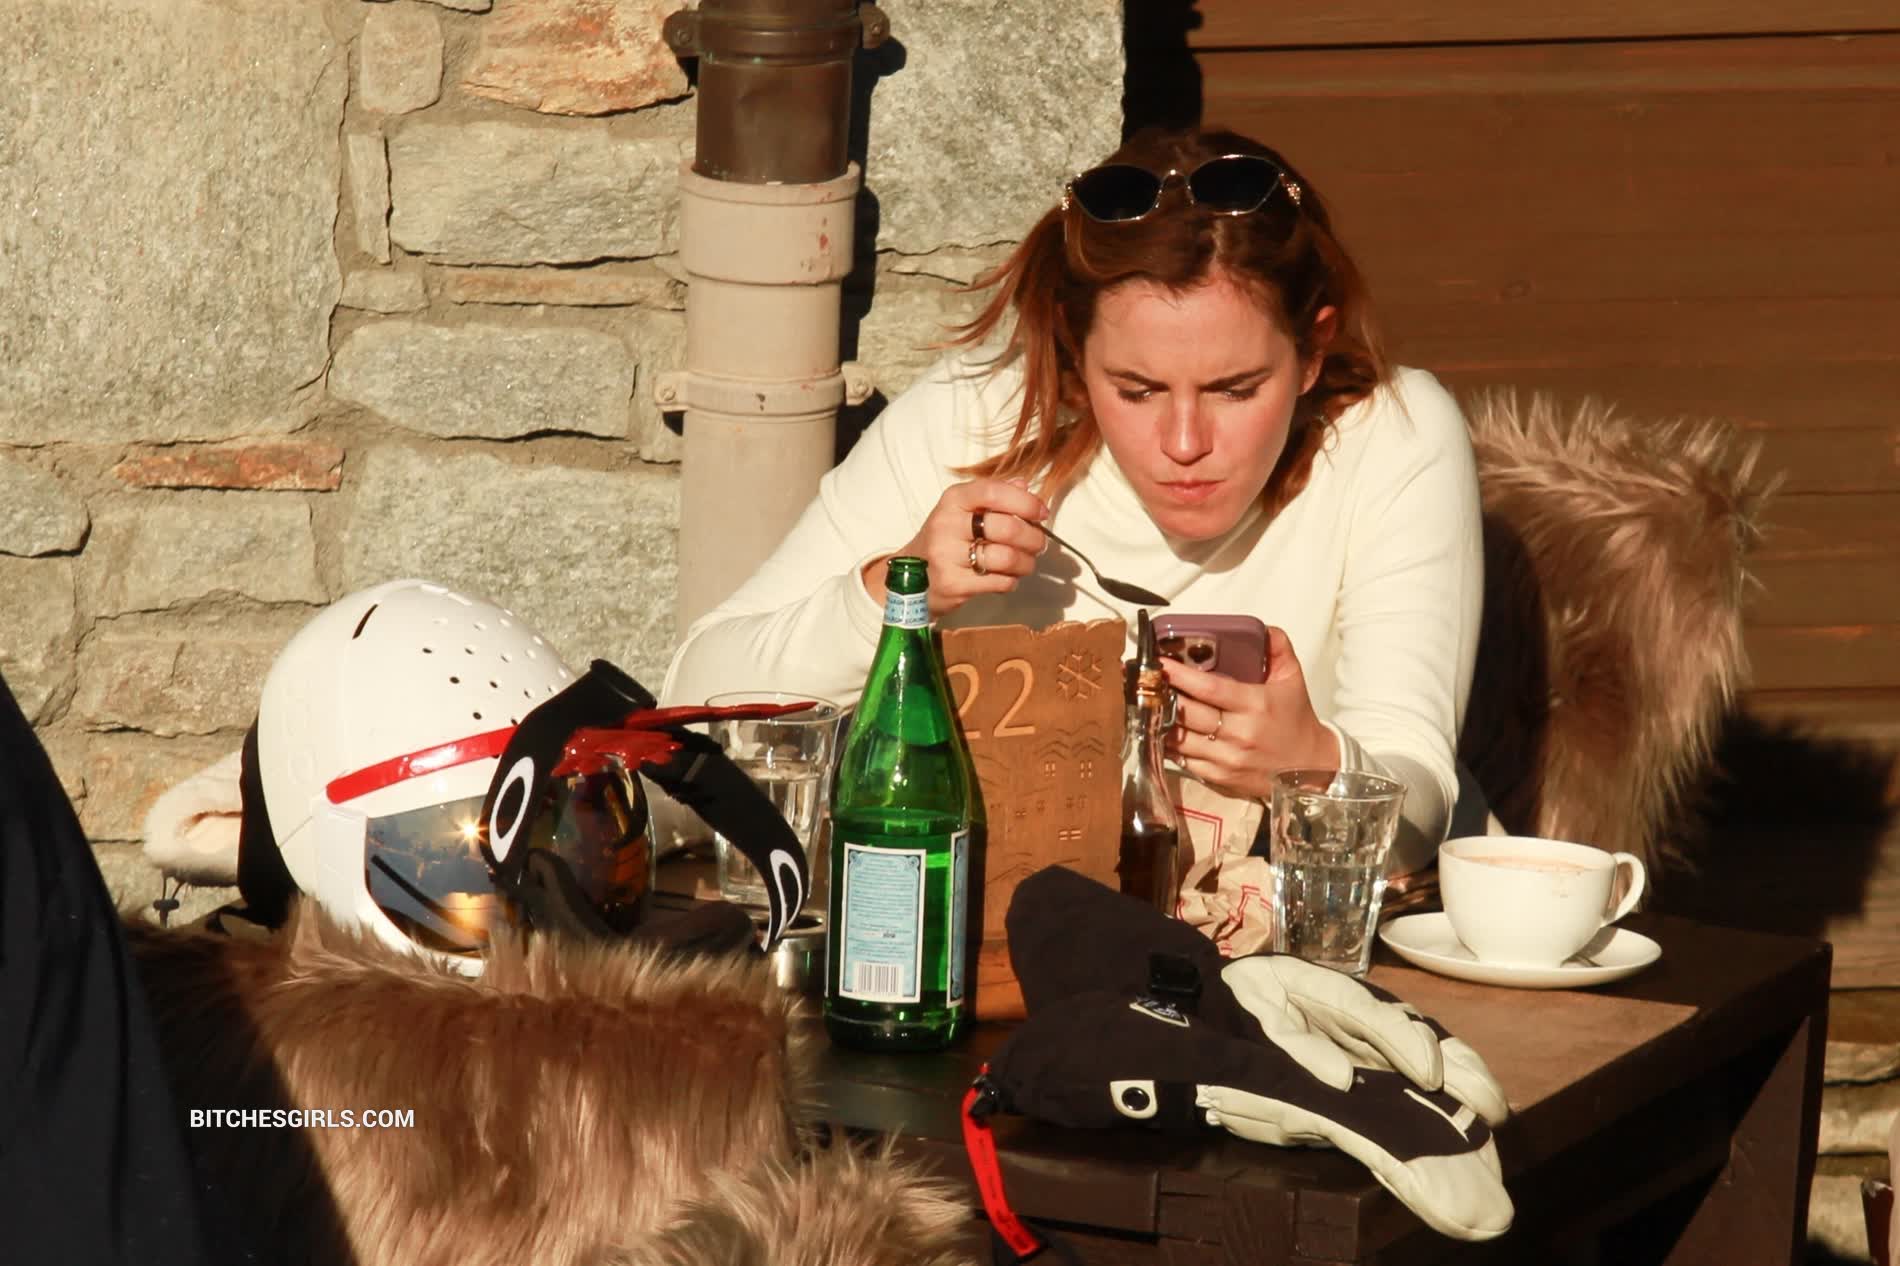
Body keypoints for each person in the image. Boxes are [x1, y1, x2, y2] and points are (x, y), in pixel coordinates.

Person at [661, 125, 1483, 874]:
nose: (1185, 441)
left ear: (1313, 352)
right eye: (1137, 389)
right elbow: (689, 709)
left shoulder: (1392, 437)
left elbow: (1422, 808)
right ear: (1073, 357)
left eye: (1235, 389)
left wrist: (1311, 764)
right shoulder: (973, 419)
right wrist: (895, 592)